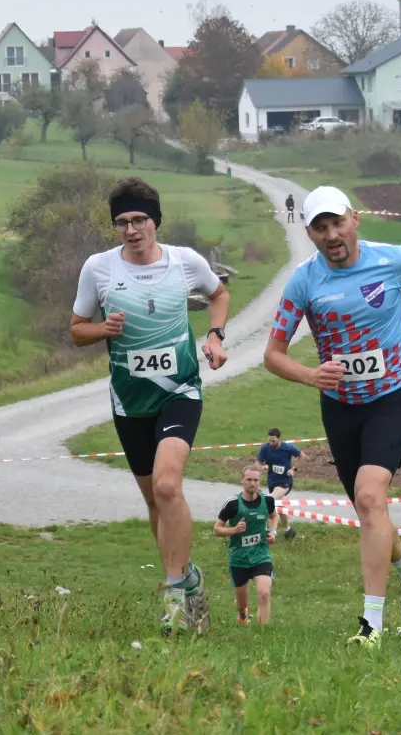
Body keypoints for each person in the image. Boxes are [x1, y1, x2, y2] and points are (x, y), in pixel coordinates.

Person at [262, 185, 401, 649]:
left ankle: (371, 627)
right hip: (341, 408)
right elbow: (273, 354)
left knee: (370, 497)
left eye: (337, 223)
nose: (331, 235)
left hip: (392, 397)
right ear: (309, 233)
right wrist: (310, 375)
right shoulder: (304, 281)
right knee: (369, 510)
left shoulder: (395, 259)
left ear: (355, 219)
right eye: (320, 228)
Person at [71, 177, 230, 635]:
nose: (131, 229)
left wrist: (215, 336)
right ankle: (191, 578)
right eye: (121, 222)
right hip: (129, 401)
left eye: (139, 219)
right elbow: (77, 329)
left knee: (166, 486)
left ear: (155, 221)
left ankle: (176, 594)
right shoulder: (98, 269)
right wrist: (104, 330)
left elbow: (218, 293)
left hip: (179, 390)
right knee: (155, 504)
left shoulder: (183, 262)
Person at [214, 466, 277, 625]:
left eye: (256, 480)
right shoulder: (232, 504)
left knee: (264, 593)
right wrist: (234, 530)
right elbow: (217, 529)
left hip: (261, 555)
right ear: (242, 481)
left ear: (259, 482)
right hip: (239, 558)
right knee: (242, 605)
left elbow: (273, 516)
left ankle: (262, 634)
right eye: (249, 479)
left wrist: (273, 532)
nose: (252, 483)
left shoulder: (267, 500)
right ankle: (243, 614)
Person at [256, 428, 302, 540]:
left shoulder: (288, 448)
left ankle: (269, 531)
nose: (271, 443)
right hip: (272, 481)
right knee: (280, 506)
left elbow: (302, 456)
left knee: (269, 501)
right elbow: (257, 463)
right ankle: (288, 530)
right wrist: (262, 467)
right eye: (269, 441)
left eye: (273, 441)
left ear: (279, 439)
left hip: (285, 482)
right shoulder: (265, 448)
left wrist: (293, 469)